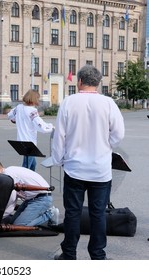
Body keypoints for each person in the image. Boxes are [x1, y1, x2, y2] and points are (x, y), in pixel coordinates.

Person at [51, 65, 125, 260]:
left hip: (74, 168)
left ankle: (69, 254)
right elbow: (119, 134)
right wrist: (105, 144)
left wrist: (59, 159)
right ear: (98, 83)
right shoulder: (108, 103)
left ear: (80, 81)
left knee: (73, 213)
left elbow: (59, 136)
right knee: (98, 214)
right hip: (100, 170)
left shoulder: (69, 102)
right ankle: (98, 256)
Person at [0, 159, 59, 227]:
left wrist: (1, 216)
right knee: (12, 221)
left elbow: (12, 200)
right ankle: (40, 213)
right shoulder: (9, 171)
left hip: (42, 198)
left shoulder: (9, 175)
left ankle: (50, 213)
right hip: (32, 198)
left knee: (19, 225)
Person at [7, 89, 53, 171]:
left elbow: (10, 115)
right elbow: (41, 126)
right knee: (26, 167)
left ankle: (30, 179)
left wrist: (15, 120)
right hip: (29, 143)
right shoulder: (32, 111)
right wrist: (51, 127)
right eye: (37, 98)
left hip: (20, 141)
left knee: (32, 164)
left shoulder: (18, 107)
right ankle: (22, 181)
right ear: (34, 99)